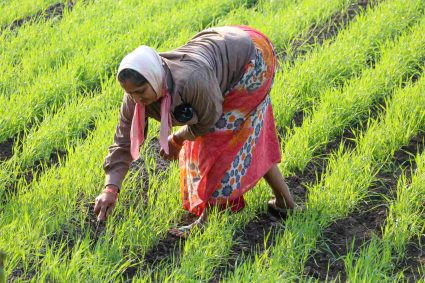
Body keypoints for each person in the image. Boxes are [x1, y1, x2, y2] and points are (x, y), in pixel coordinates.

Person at [94, 25, 300, 237]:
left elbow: (209, 121)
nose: (137, 99)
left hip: (252, 61)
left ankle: (207, 220)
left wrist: (178, 138)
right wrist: (111, 188)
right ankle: (285, 203)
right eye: (130, 93)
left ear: (155, 76)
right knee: (247, 136)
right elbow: (123, 141)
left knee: (215, 144)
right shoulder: (135, 99)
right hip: (225, 50)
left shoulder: (191, 80)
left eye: (140, 91)